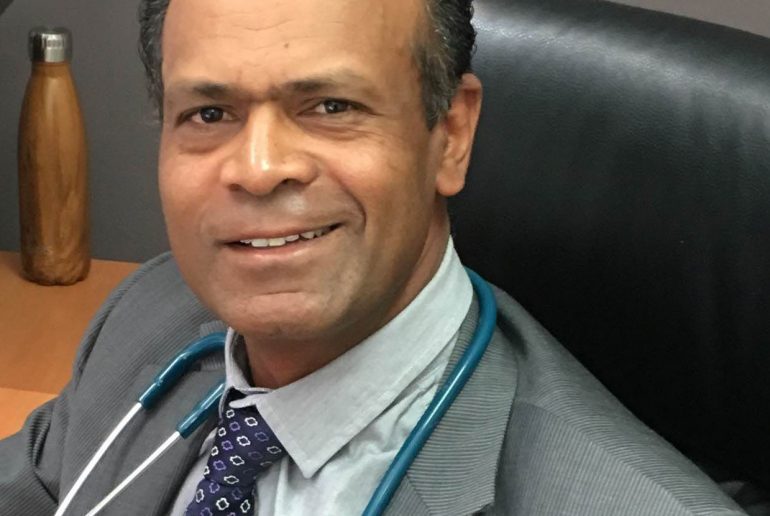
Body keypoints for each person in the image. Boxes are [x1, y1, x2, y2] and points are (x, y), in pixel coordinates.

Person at [0, 0, 747, 514]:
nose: (257, 169)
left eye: (331, 107)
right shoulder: (148, 313)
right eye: (210, 113)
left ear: (450, 135)